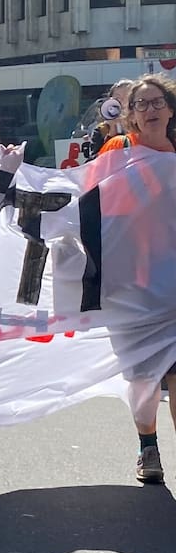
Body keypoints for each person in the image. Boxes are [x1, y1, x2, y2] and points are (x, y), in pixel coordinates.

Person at [95, 74, 176, 484]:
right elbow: (89, 202)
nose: (150, 109)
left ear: (170, 108)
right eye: (141, 104)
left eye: (157, 101)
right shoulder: (118, 150)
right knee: (144, 378)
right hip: (134, 285)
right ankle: (148, 447)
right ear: (131, 116)